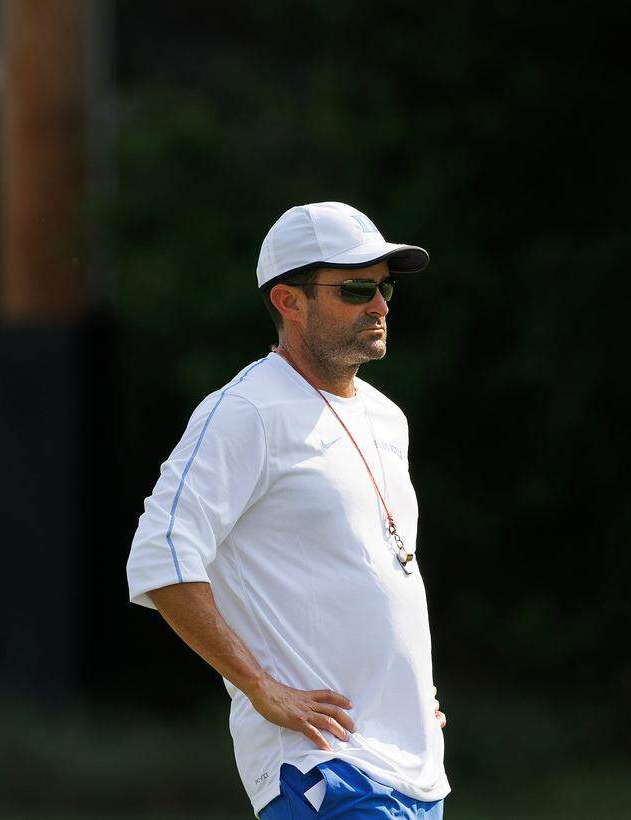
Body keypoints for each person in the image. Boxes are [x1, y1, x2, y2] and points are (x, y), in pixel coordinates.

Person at [125, 202, 451, 818]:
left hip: (414, 768)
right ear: (288, 301)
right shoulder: (245, 410)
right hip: (322, 766)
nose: (379, 306)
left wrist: (411, 696)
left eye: (383, 288)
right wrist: (261, 687)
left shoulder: (388, 418)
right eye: (355, 289)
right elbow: (159, 558)